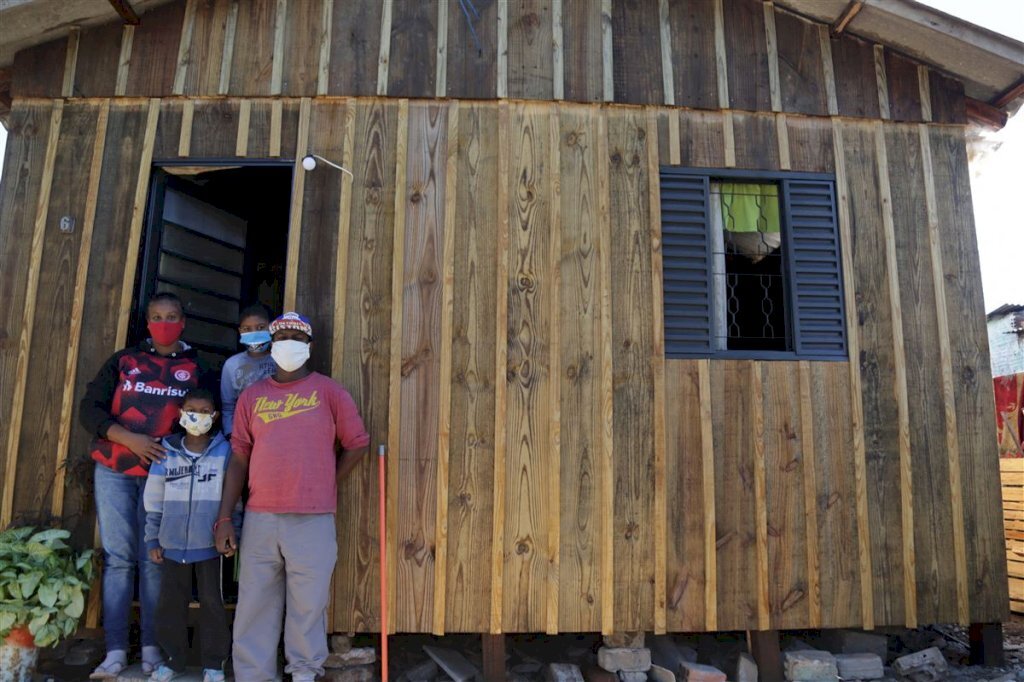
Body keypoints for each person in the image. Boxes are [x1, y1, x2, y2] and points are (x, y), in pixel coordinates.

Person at [214, 312, 369, 682]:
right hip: (260, 517)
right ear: (271, 344)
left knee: (308, 605)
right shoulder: (253, 396)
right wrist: (224, 518)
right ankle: (254, 676)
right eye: (281, 336)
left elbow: (357, 444)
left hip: (313, 518)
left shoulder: (330, 392)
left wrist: (327, 479)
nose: (288, 343)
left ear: (308, 347)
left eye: (297, 338)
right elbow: (238, 457)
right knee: (254, 604)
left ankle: (303, 674)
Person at [80, 292, 215, 679]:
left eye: (172, 316)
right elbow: (90, 409)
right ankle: (116, 651)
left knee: (155, 560)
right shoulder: (125, 361)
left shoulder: (199, 365)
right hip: (115, 469)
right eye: (157, 316)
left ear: (183, 321)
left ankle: (154, 649)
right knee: (119, 559)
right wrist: (128, 438)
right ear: (148, 321)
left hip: (166, 475)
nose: (164, 323)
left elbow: (207, 416)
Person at [144, 388, 239, 682]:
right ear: (181, 414)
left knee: (212, 605)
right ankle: (173, 661)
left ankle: (214, 663)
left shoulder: (226, 453)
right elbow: (154, 499)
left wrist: (233, 531)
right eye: (191, 409)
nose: (197, 415)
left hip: (210, 546)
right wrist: (152, 538)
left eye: (204, 410)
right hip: (171, 545)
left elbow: (233, 499)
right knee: (170, 606)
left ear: (215, 416)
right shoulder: (166, 452)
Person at [220, 303, 277, 436]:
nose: (254, 333)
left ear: (272, 328)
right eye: (247, 329)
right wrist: (231, 434)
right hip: (243, 433)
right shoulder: (232, 364)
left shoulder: (281, 361)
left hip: (275, 431)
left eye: (261, 327)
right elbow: (228, 406)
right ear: (240, 331)